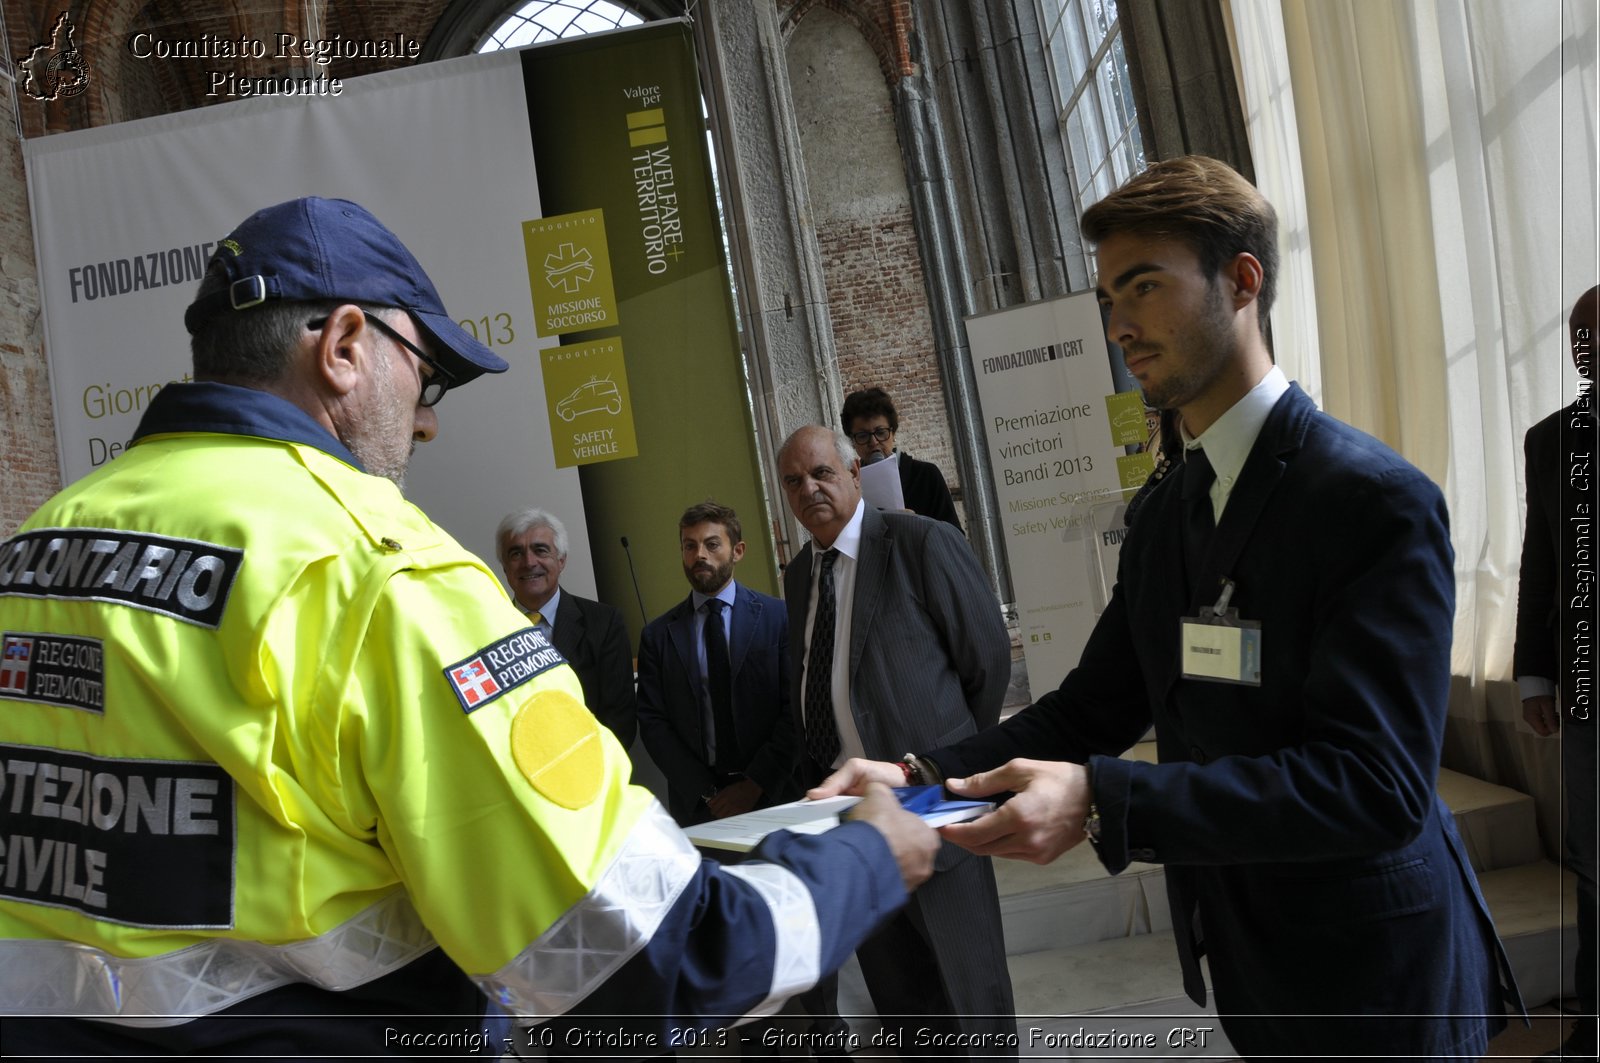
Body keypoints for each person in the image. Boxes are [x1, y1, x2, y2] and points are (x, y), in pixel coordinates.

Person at [0, 196, 940, 1057]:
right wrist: (868, 855)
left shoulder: (32, 552)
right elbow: (653, 963)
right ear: (344, 345)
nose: (427, 424)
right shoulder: (379, 569)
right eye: (428, 377)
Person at [814, 156, 1522, 1059]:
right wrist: (917, 772)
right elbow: (1095, 704)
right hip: (1247, 948)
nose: (1119, 325)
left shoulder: (1369, 500)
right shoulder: (1169, 510)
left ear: (1242, 281)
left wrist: (1107, 798)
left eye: (1143, 286)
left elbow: (1372, 785)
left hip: (1375, 960)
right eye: (1109, 296)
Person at [779, 424, 1016, 1054]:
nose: (809, 489)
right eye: (793, 481)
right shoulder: (800, 574)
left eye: (822, 473)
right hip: (851, 821)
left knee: (972, 1000)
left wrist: (951, 766)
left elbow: (987, 659)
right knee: (901, 1007)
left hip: (934, 805)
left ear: (856, 472)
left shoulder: (921, 542)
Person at [1516, 285, 1598, 1062]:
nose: (1587, 346)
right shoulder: (1552, 439)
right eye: (1578, 334)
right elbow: (1540, 561)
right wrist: (1533, 676)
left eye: (1598, 332)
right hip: (1588, 690)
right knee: (1595, 861)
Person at [637, 500, 798, 826]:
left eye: (712, 545)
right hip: (700, 806)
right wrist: (707, 792)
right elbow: (653, 723)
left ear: (737, 551)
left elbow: (795, 707)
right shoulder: (657, 636)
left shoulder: (777, 617)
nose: (699, 555)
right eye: (689, 546)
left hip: (776, 794)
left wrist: (754, 784)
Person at [496, 507, 637, 749]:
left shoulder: (604, 623)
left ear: (561, 560)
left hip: (589, 771)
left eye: (540, 550)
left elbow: (620, 721)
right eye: (516, 553)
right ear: (505, 567)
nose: (529, 562)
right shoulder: (490, 629)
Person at [840, 387, 962, 530]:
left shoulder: (926, 475)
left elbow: (956, 537)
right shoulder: (850, 485)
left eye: (880, 432)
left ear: (893, 432)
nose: (873, 442)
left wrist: (917, 524)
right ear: (852, 441)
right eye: (862, 436)